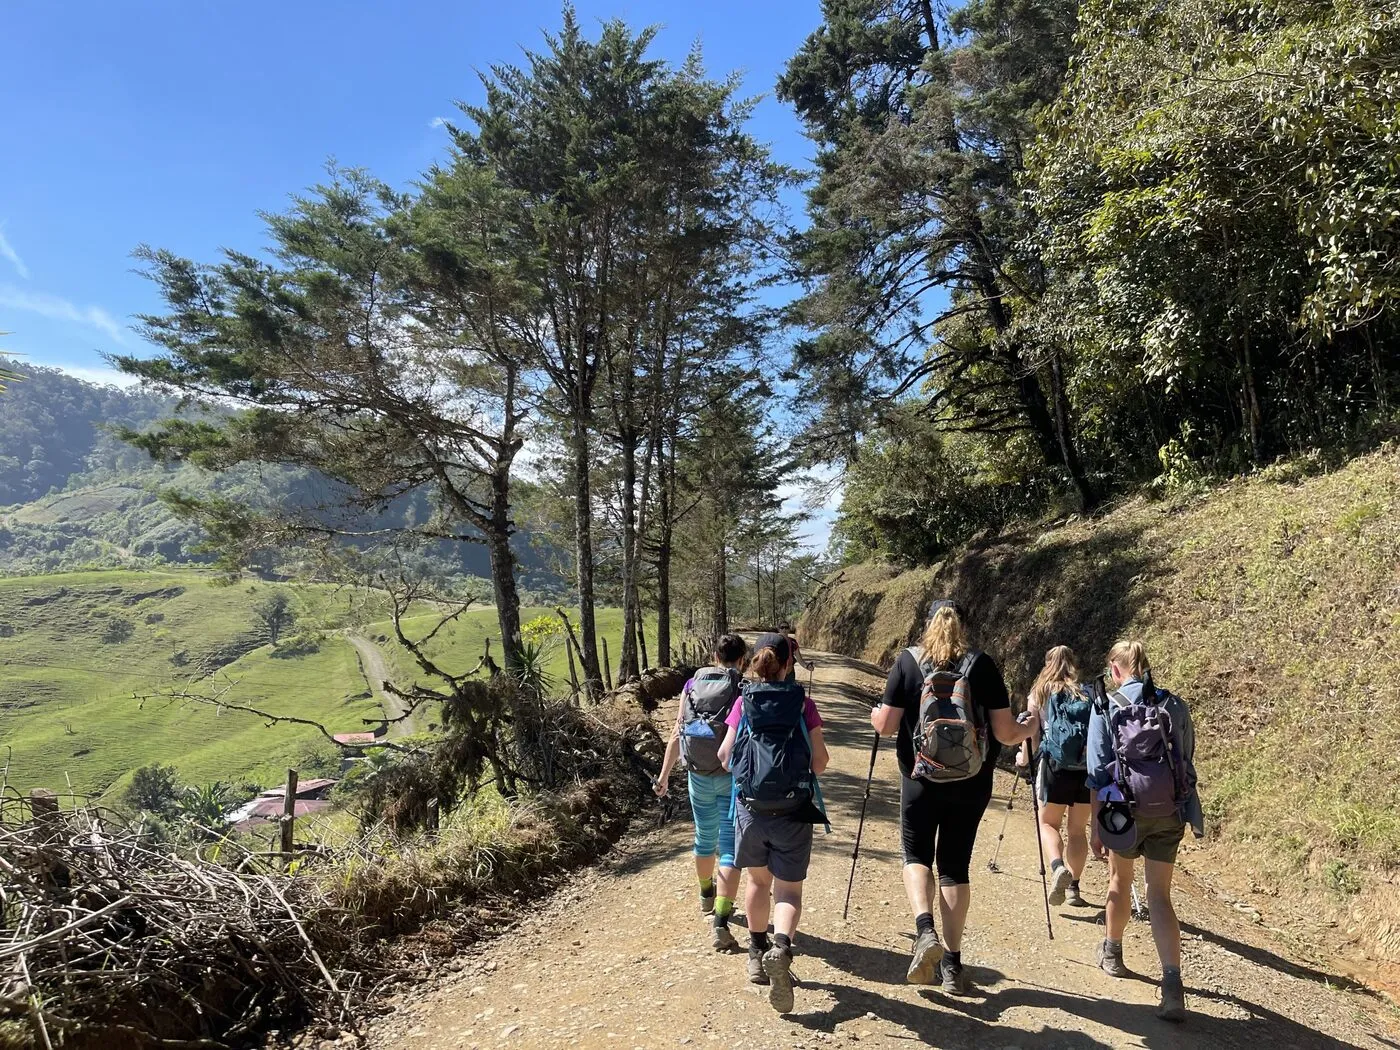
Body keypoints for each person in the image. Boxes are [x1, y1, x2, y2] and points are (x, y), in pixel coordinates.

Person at [870, 599, 1034, 994]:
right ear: (965, 625)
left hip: (919, 779)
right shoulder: (982, 665)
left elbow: (887, 727)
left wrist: (876, 715)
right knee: (955, 867)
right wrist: (1030, 727)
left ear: (926, 624)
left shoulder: (908, 662)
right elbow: (1006, 734)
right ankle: (953, 965)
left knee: (916, 856)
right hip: (971, 783)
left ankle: (924, 929)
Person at [1087, 639, 1203, 1023]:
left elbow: (1097, 772)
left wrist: (1097, 826)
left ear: (1115, 670)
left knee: (1119, 882)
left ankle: (1112, 952)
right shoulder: (1174, 705)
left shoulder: (1106, 706)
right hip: (1168, 812)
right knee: (1160, 895)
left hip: (1124, 813)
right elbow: (1186, 757)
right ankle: (1172, 984)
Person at [717, 632, 828, 1014]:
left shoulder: (743, 703)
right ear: (788, 663)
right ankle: (781, 947)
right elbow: (820, 763)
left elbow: (725, 757)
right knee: (788, 892)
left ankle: (756, 953)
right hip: (793, 811)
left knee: (758, 883)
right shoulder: (804, 705)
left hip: (751, 811)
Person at [654, 633, 748, 951]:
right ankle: (721, 918)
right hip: (730, 776)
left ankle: (706, 892)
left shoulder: (692, 685)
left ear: (715, 656)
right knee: (729, 848)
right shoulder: (742, 688)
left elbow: (677, 732)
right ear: (742, 660)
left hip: (697, 775)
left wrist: (664, 777)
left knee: (704, 838)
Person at [1017, 645, 1095, 908]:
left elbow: (1032, 737)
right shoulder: (1086, 693)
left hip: (1055, 767)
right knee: (1077, 830)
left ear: (1047, 663)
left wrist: (1023, 760)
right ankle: (1074, 888)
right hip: (1085, 769)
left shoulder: (1039, 693)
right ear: (1073, 663)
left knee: (1048, 824)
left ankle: (1057, 866)